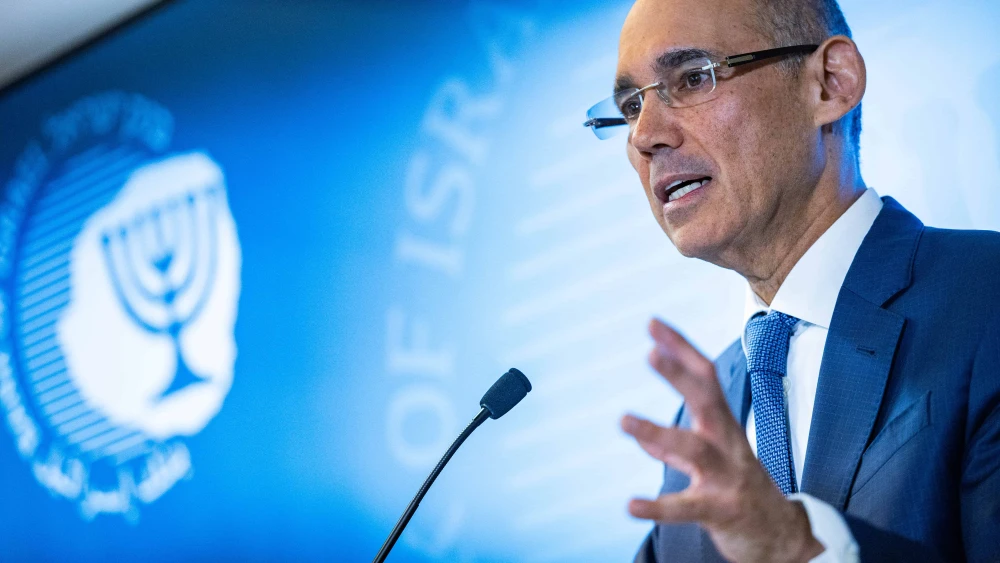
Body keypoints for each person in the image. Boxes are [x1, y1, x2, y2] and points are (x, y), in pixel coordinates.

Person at [582, 0, 1000, 561]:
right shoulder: (702, 432)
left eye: (692, 77)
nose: (645, 136)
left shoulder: (986, 298)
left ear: (830, 83)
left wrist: (795, 546)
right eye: (631, 106)